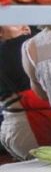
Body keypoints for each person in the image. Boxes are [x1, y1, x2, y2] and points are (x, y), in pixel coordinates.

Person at [0, 25, 37, 158]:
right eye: (17, 23)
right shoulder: (16, 46)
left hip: (11, 125)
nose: (26, 28)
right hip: (31, 126)